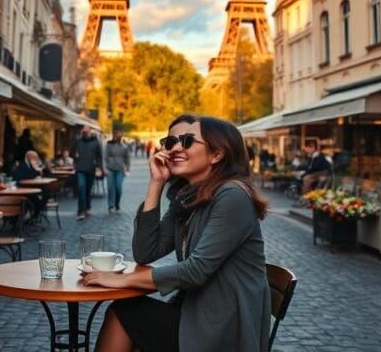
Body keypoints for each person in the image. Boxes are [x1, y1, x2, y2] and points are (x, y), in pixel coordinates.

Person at [84, 114, 270, 352]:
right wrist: (156, 182)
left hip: (223, 328)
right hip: (195, 314)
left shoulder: (232, 195)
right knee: (128, 313)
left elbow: (196, 270)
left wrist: (123, 280)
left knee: (123, 313)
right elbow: (145, 252)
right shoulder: (188, 198)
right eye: (172, 143)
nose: (176, 149)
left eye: (188, 141)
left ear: (217, 154)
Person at [74, 126, 102, 220]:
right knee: (81, 187)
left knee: (88, 190)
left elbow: (99, 156)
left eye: (86, 132)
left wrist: (99, 167)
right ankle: (81, 210)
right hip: (80, 168)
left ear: (90, 132)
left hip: (91, 168)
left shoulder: (95, 141)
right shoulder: (78, 141)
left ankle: (88, 206)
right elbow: (71, 152)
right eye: (83, 132)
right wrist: (74, 155)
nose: (84, 133)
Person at [12, 150, 50, 219]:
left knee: (47, 194)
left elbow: (37, 175)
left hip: (32, 188)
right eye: (35, 157)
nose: (37, 159)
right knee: (38, 199)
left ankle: (34, 215)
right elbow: (25, 176)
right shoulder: (21, 165)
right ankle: (32, 215)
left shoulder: (32, 165)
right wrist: (36, 170)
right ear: (30, 158)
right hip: (23, 190)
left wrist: (38, 170)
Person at [105, 129, 130, 214]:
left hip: (120, 170)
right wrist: (105, 167)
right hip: (110, 169)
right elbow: (105, 156)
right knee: (110, 188)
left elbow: (127, 158)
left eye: (118, 136)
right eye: (115, 136)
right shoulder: (109, 145)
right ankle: (110, 206)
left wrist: (127, 169)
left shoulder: (124, 146)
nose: (116, 137)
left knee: (118, 188)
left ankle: (117, 203)